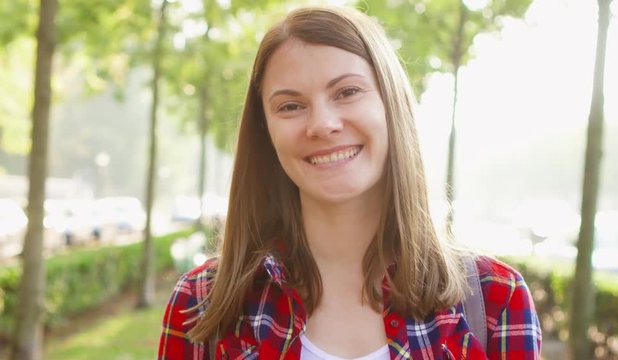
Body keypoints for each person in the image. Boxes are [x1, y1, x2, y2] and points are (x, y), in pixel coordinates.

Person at [158, 6, 541, 360]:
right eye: (290, 105)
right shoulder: (200, 303)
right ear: (265, 132)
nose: (323, 124)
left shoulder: (495, 302)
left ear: (392, 105)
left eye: (347, 92)